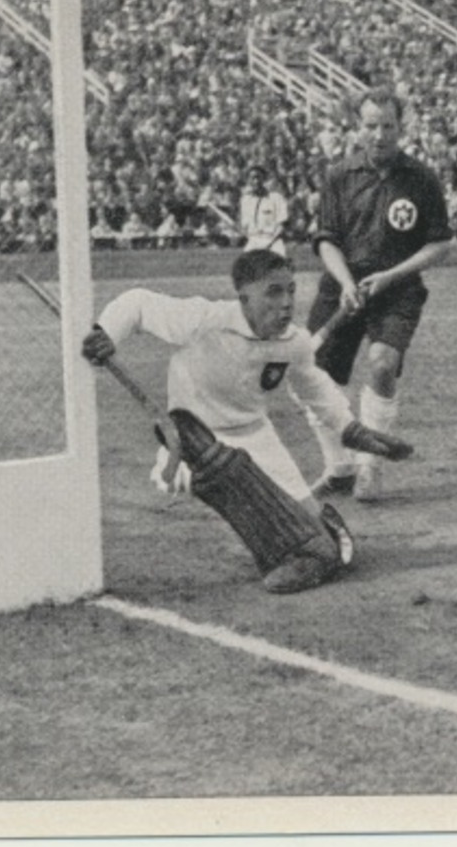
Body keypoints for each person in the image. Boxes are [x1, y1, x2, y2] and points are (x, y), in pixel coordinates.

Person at [80, 250, 383, 593]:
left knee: (316, 538)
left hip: (256, 435)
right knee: (224, 476)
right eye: (273, 292)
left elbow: (314, 387)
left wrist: (350, 428)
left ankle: (319, 529)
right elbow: (137, 303)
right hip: (195, 442)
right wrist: (105, 332)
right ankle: (266, 540)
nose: (286, 303)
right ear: (244, 298)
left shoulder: (293, 341)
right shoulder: (204, 320)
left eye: (290, 291)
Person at [305, 88, 454, 502]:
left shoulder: (421, 178)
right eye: (371, 126)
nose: (379, 135)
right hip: (341, 288)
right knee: (316, 378)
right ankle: (339, 469)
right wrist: (348, 283)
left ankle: (370, 467)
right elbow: (325, 240)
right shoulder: (339, 175)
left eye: (388, 126)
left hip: (397, 290)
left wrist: (390, 275)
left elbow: (440, 245)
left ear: (400, 127)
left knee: (383, 363)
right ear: (358, 127)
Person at [238, 164, 289, 256]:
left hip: (274, 241)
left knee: (279, 264)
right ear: (248, 180)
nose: (256, 181)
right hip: (253, 241)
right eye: (252, 178)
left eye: (258, 177)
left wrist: (269, 242)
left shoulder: (276, 198)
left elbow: (282, 225)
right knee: (244, 266)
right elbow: (245, 227)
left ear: (264, 179)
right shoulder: (245, 200)